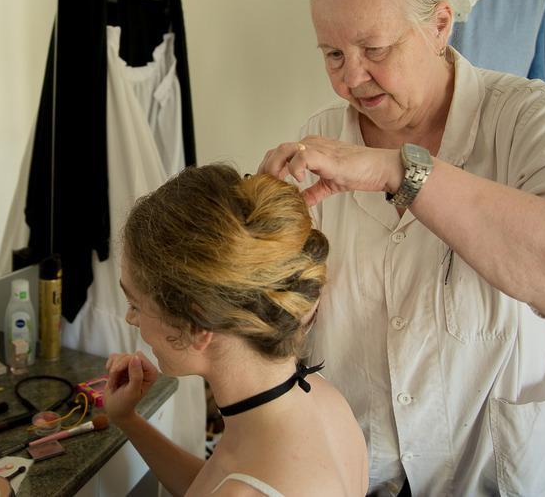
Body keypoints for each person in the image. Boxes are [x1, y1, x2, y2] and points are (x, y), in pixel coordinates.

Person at [258, 0, 545, 495]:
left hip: (501, 475)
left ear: (440, 25)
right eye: (333, 54)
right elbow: (292, 321)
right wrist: (266, 258)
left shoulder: (531, 119)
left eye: (375, 49)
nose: (351, 77)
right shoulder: (319, 137)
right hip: (360, 474)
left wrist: (403, 172)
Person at [105, 164, 368, 497]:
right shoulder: (316, 397)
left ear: (196, 325)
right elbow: (215, 483)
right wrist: (128, 419)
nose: (131, 319)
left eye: (136, 305)